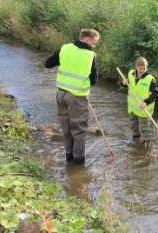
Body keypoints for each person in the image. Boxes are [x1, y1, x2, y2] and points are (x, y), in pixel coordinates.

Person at [45, 28, 100, 164]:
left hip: (61, 94)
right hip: (77, 97)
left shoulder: (65, 48)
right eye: (94, 42)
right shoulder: (90, 55)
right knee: (79, 131)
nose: (94, 46)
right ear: (87, 39)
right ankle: (79, 164)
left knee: (66, 128)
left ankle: (68, 158)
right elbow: (94, 80)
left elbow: (48, 64)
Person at [122, 57, 158, 147]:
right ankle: (136, 141)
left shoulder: (151, 79)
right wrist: (123, 83)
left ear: (146, 67)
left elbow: (155, 94)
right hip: (133, 107)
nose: (142, 70)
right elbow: (127, 86)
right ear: (136, 67)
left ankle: (147, 145)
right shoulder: (131, 74)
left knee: (145, 128)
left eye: (144, 68)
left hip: (144, 108)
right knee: (134, 125)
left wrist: (146, 102)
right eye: (140, 68)